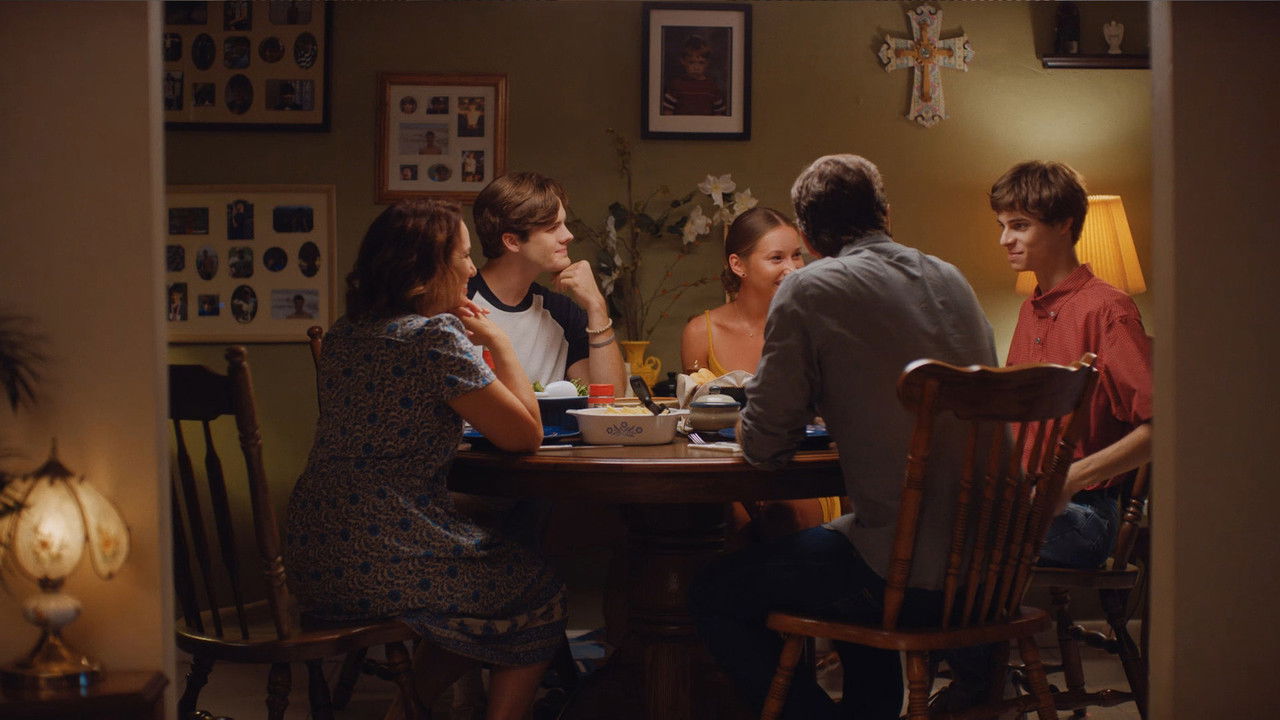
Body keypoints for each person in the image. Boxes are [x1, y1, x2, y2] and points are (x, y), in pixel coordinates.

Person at [689, 154, 996, 720]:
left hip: (913, 574)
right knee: (849, 544)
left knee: (712, 591)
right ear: (886, 212)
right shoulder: (950, 276)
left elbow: (765, 446)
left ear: (806, 233)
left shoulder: (810, 289)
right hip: (992, 563)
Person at [283, 200, 566, 720]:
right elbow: (526, 437)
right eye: (460, 257)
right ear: (421, 275)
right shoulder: (433, 338)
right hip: (386, 547)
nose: (472, 269)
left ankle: (404, 712)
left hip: (311, 548)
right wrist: (500, 342)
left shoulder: (348, 331)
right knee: (537, 591)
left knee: (477, 597)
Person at [933, 160, 1154, 712]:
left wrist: (1072, 480)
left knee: (951, 537)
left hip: (1086, 515)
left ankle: (979, 684)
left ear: (1062, 225)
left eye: (1020, 225)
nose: (1005, 239)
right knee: (927, 518)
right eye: (1003, 224)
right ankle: (983, 675)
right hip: (1027, 501)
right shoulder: (1034, 310)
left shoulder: (1107, 310)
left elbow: (1166, 425)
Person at [680, 207, 838, 543]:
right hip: (730, 477)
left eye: (797, 256)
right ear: (738, 265)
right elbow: (696, 425)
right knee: (726, 522)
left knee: (786, 515)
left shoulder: (816, 327)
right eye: (776, 258)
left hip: (802, 473)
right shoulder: (701, 332)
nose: (792, 269)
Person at [469, 171, 626, 395]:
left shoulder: (560, 312)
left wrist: (596, 306)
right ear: (512, 241)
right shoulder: (458, 303)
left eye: (564, 224)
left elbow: (608, 400)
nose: (568, 235)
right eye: (553, 228)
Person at [661, 35, 726, 116]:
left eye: (701, 63)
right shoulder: (676, 85)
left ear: (707, 63)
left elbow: (719, 114)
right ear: (683, 61)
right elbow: (667, 111)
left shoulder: (712, 87)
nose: (696, 67)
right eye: (691, 62)